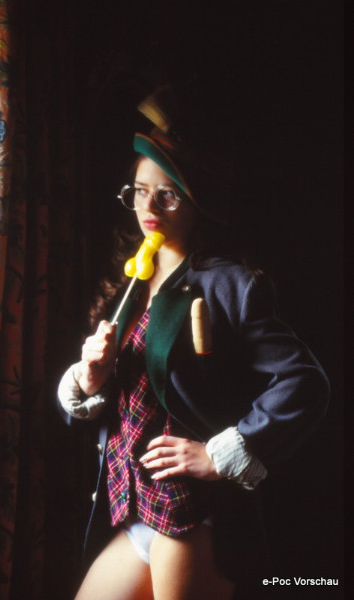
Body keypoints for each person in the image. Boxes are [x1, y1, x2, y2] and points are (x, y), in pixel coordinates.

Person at [57, 88, 329, 600]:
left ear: (197, 199)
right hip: (132, 505)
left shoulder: (230, 285)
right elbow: (131, 386)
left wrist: (221, 454)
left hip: (186, 516)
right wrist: (88, 379)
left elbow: (305, 382)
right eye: (139, 191)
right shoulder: (131, 279)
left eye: (168, 194)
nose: (149, 207)